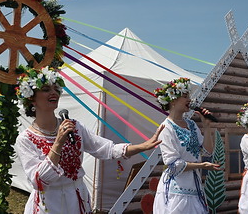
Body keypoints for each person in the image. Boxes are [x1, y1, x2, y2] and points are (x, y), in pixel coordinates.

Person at [14, 66, 164, 214]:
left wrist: (143, 146)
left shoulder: (75, 127)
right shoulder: (25, 139)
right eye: (46, 89)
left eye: (56, 89)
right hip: (48, 204)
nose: (54, 92)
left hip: (76, 199)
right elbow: (39, 180)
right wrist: (58, 142)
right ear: (31, 99)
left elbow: (107, 149)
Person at [152, 77, 222, 214]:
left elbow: (207, 151)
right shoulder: (166, 128)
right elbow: (173, 164)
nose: (189, 99)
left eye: (189, 96)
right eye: (185, 96)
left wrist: (207, 127)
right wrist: (202, 166)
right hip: (176, 189)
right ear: (173, 100)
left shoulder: (191, 124)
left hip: (194, 187)